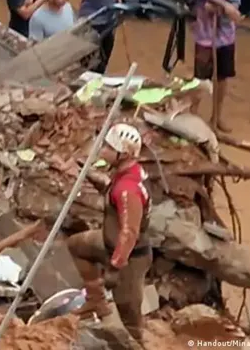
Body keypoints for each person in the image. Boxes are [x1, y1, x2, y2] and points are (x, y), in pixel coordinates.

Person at [67, 123, 152, 344]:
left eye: (109, 147)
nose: (103, 150)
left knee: (129, 315)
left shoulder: (127, 189)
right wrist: (91, 176)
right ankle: (96, 300)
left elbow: (129, 232)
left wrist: (115, 267)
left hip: (130, 257)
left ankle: (135, 344)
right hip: (108, 241)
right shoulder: (127, 173)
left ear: (123, 154)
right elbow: (112, 191)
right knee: (76, 245)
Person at [192, 0, 243, 132]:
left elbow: (235, 4)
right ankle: (192, 116)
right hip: (205, 37)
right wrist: (225, 6)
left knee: (222, 78)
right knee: (200, 79)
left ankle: (217, 117)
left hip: (226, 37)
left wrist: (220, 8)